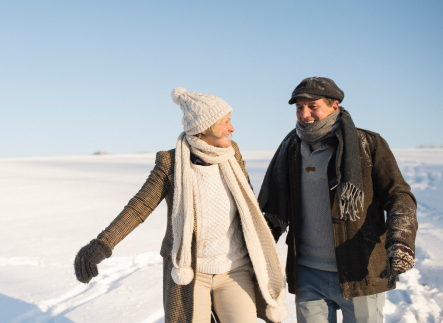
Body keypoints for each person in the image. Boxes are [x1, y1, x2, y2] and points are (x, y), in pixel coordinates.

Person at [74, 87, 288, 323]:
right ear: (203, 127)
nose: (232, 127)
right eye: (225, 121)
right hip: (190, 273)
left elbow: (247, 206)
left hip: (234, 269)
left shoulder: (232, 154)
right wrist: (101, 245)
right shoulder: (171, 164)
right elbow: (138, 207)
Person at [258, 77, 418, 323]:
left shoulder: (368, 144)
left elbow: (399, 196)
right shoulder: (290, 149)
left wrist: (401, 240)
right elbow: (270, 209)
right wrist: (254, 253)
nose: (304, 114)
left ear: (335, 107)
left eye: (313, 106)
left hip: (360, 271)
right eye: (299, 107)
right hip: (307, 273)